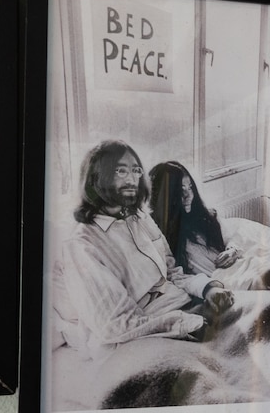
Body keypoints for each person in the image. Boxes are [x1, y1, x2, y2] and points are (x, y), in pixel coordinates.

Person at [55, 140, 233, 350]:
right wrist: (184, 323)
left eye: (136, 170)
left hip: (183, 307)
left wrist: (208, 289)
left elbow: (173, 274)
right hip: (143, 335)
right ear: (96, 178)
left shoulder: (140, 218)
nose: (132, 179)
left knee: (268, 307)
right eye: (120, 171)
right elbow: (116, 324)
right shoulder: (82, 244)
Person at [148, 161, 239, 277]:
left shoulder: (205, 216)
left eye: (190, 188)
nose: (189, 195)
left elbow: (231, 237)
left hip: (236, 269)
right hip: (219, 282)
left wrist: (232, 250)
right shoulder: (156, 233)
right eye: (181, 190)